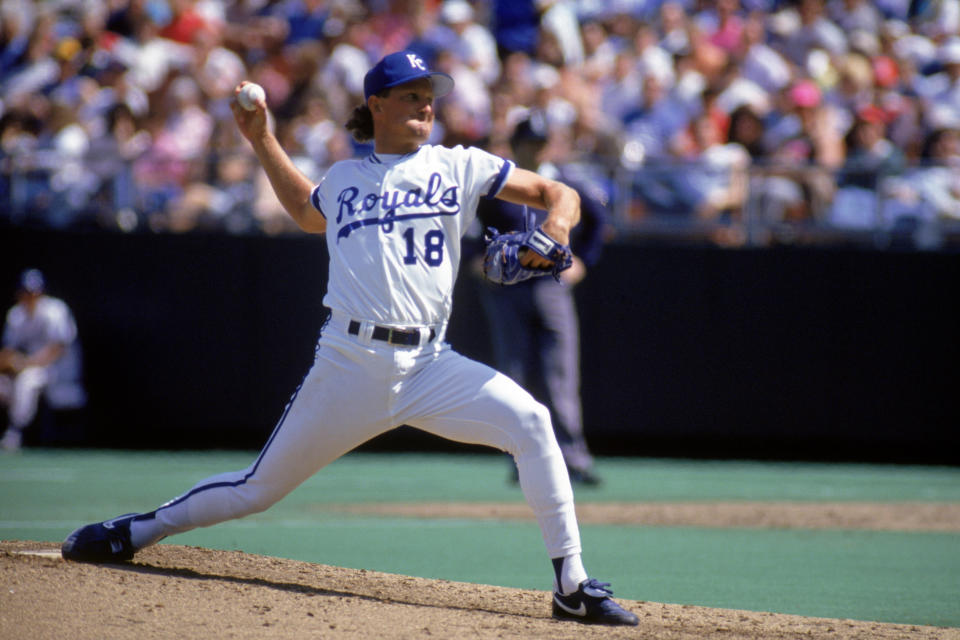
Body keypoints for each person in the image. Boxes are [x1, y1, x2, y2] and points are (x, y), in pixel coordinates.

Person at [60, 51, 639, 627]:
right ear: (376, 105)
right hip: (348, 362)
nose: (424, 104)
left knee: (533, 423)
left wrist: (556, 229)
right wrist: (262, 138)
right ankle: (136, 530)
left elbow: (559, 194)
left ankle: (571, 584)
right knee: (255, 490)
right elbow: (306, 213)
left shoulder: (459, 164)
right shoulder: (342, 180)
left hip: (431, 364)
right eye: (410, 94)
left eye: (429, 94)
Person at [474, 117, 606, 486]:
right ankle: (522, 460)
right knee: (513, 375)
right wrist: (475, 257)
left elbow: (597, 216)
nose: (535, 147)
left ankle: (574, 460)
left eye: (540, 141)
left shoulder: (565, 185)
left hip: (551, 283)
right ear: (515, 144)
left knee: (559, 374)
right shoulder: (499, 185)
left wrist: (585, 261)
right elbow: (471, 225)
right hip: (508, 287)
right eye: (529, 141)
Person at [0, 269, 85, 451]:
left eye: (34, 292)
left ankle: (15, 433)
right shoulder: (16, 316)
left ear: (42, 292)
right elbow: (7, 352)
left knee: (27, 381)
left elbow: (57, 349)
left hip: (57, 370)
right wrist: (12, 363)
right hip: (23, 367)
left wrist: (25, 363)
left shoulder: (55, 311)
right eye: (26, 292)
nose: (30, 297)